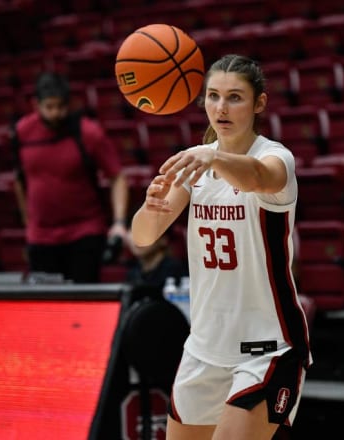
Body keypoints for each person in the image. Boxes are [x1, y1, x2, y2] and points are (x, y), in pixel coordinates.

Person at [131, 54, 312, 440]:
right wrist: (150, 207)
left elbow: (260, 178)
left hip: (267, 348)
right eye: (213, 96)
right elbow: (143, 236)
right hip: (203, 348)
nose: (221, 107)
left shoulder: (274, 156)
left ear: (259, 103)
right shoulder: (195, 167)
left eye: (234, 97)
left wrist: (214, 154)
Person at [12, 72, 128, 283]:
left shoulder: (89, 133)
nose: (55, 113)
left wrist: (119, 222)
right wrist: (28, 221)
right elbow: (19, 179)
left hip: (84, 233)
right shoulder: (22, 132)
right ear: (35, 105)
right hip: (41, 237)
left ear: (69, 104)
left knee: (83, 305)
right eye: (49, 107)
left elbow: (117, 177)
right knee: (47, 308)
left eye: (60, 106)